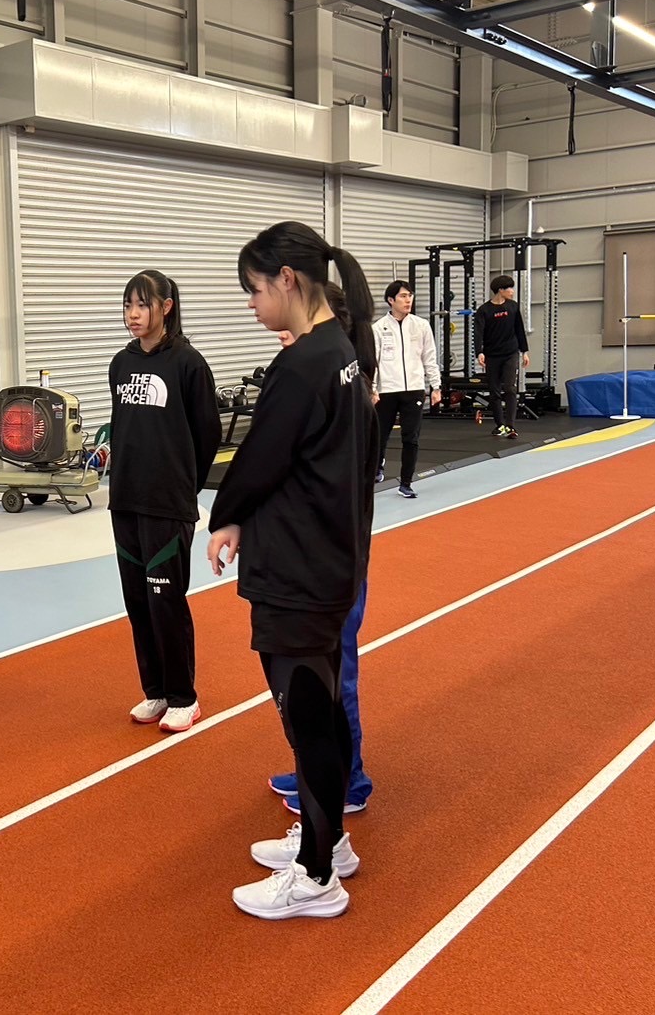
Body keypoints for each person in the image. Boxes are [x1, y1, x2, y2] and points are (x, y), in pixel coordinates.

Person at [207, 222, 379, 921]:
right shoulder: (343, 352)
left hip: (300, 569)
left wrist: (225, 515)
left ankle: (316, 876)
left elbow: (261, 456)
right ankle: (328, 840)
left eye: (253, 290)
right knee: (323, 708)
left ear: (286, 279)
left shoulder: (305, 364)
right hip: (330, 558)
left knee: (307, 716)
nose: (251, 305)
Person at [266, 283, 377, 819]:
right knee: (310, 685)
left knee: (334, 677)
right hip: (313, 560)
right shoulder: (320, 378)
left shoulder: (345, 390)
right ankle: (320, 768)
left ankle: (348, 780)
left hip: (333, 564)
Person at [108, 270, 221, 733]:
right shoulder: (120, 363)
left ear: (166, 307)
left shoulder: (188, 364)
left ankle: (183, 697)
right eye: (127, 305)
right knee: (138, 601)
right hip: (125, 501)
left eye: (142, 304)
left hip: (168, 504)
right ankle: (154, 690)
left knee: (165, 602)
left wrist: (184, 487)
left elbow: (208, 434)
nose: (133, 314)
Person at [372, 280, 441, 499]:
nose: (408, 300)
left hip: (414, 389)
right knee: (380, 435)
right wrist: (372, 389)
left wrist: (436, 386)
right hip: (387, 390)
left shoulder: (421, 325)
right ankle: (377, 466)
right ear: (391, 300)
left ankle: (406, 483)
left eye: (410, 295)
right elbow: (373, 361)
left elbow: (429, 357)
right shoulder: (378, 328)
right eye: (403, 296)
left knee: (411, 437)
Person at [475, 274, 529, 440]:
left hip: (510, 353)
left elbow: (519, 329)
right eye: (509, 288)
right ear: (500, 290)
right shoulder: (484, 310)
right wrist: (479, 352)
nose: (512, 291)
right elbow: (478, 333)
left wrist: (525, 351)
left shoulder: (513, 307)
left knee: (510, 389)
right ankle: (500, 425)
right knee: (494, 391)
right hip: (492, 355)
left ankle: (510, 425)